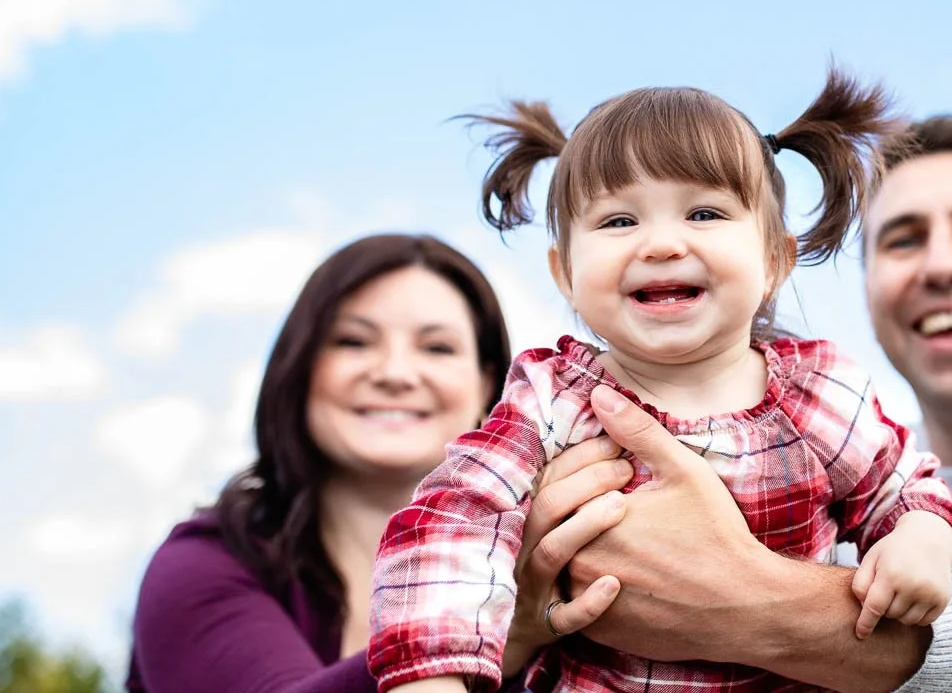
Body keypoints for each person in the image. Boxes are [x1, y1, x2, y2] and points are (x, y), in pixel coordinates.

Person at [547, 115, 952, 692]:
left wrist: (735, 599)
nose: (942, 267)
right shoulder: (834, 469)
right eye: (903, 239)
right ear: (868, 293)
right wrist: (527, 613)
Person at [366, 71, 952, 693]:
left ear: (774, 260)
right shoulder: (550, 402)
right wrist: (432, 677)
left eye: (703, 212)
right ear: (565, 273)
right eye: (618, 221)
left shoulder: (818, 394)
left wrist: (920, 538)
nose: (659, 244)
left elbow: (902, 489)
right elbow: (455, 522)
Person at [127, 233, 631, 693]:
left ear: (489, 386)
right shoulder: (201, 565)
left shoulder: (570, 563)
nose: (394, 373)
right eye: (353, 341)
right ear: (300, 370)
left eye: (436, 347)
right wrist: (492, 628)